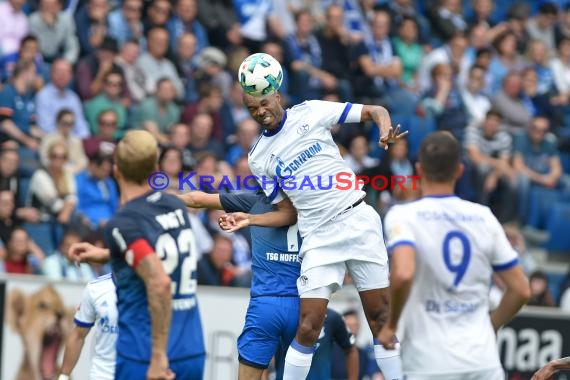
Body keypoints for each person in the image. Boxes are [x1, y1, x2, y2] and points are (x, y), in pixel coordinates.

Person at [238, 68, 406, 380]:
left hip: (356, 218)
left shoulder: (311, 111)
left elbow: (375, 110)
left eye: (264, 103)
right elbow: (288, 212)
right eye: (252, 109)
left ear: (277, 95)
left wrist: (384, 129)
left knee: (381, 317)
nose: (260, 112)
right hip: (317, 235)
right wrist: (250, 218)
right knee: (308, 325)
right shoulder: (259, 158)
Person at [378, 131, 531, 379]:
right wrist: (490, 326)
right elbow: (521, 289)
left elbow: (404, 273)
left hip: (429, 362)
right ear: (459, 171)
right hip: (483, 361)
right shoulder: (484, 216)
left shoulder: (403, 215)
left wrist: (392, 325)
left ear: (418, 169)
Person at [68, 130, 205, 380]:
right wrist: (108, 253)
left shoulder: (124, 221)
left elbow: (159, 282)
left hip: (145, 353)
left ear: (116, 169)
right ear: (155, 168)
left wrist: (157, 356)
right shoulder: (174, 205)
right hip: (190, 349)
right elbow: (157, 254)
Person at [179, 190, 300, 380]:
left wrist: (158, 200)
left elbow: (196, 199)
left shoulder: (255, 202)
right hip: (303, 306)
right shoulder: (314, 204)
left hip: (264, 306)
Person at [58, 274, 118, 380]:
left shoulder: (153, 286)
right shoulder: (95, 288)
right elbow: (78, 335)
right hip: (103, 374)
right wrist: (63, 377)